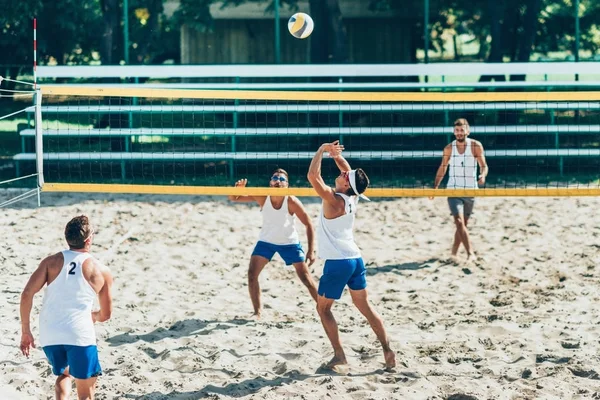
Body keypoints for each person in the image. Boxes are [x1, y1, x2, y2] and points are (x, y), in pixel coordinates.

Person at [307, 141, 396, 371]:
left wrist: (322, 149)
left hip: (338, 262)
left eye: (344, 175)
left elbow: (312, 176)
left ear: (346, 183)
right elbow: (346, 170)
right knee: (365, 306)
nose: (342, 173)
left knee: (323, 309)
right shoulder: (352, 196)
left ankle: (339, 356)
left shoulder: (334, 200)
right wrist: (336, 156)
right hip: (355, 259)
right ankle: (387, 350)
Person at [20, 215, 113, 400]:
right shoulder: (100, 270)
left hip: (50, 334)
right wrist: (94, 316)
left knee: (65, 374)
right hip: (79, 335)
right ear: (89, 240)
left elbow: (27, 294)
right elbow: (106, 315)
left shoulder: (50, 262)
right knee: (86, 392)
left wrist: (26, 331)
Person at [228, 168, 318, 318]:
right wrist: (236, 190)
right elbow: (234, 198)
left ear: (287, 185)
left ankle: (324, 309)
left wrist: (311, 250)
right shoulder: (263, 196)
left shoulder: (291, 201)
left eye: (282, 179)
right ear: (270, 182)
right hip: (267, 241)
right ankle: (257, 312)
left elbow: (308, 224)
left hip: (289, 242)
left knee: (306, 279)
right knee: (252, 275)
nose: (278, 181)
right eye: (275, 178)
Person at [432, 118, 489, 261]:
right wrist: (435, 186)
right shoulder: (449, 148)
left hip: (471, 190)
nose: (459, 133)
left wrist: (482, 175)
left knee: (464, 224)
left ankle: (454, 253)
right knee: (458, 221)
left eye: (462, 130)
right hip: (453, 190)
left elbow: (484, 165)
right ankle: (471, 253)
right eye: (457, 130)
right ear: (454, 132)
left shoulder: (476, 145)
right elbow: (443, 167)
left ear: (467, 131)